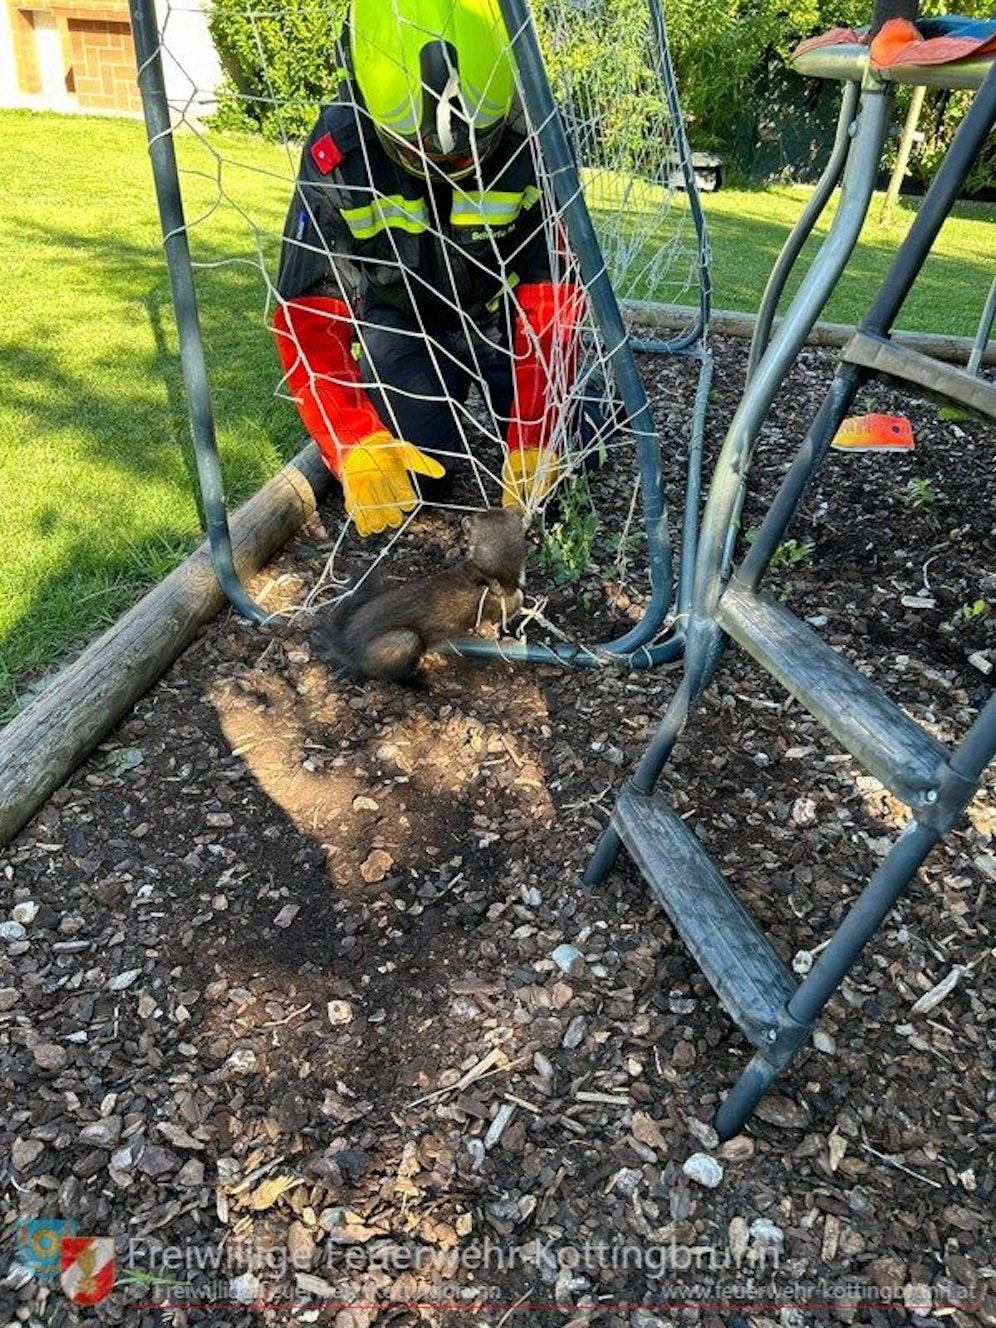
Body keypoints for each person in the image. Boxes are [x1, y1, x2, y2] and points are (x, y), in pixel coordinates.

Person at [271, 0, 584, 537]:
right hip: (403, 324)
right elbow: (307, 314)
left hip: (500, 317)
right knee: (414, 473)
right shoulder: (338, 151)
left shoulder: (535, 138)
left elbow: (549, 298)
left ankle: (581, 407)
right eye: (417, 155)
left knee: (574, 451)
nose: (446, 170)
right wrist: (353, 439)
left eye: (471, 154)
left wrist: (537, 435)